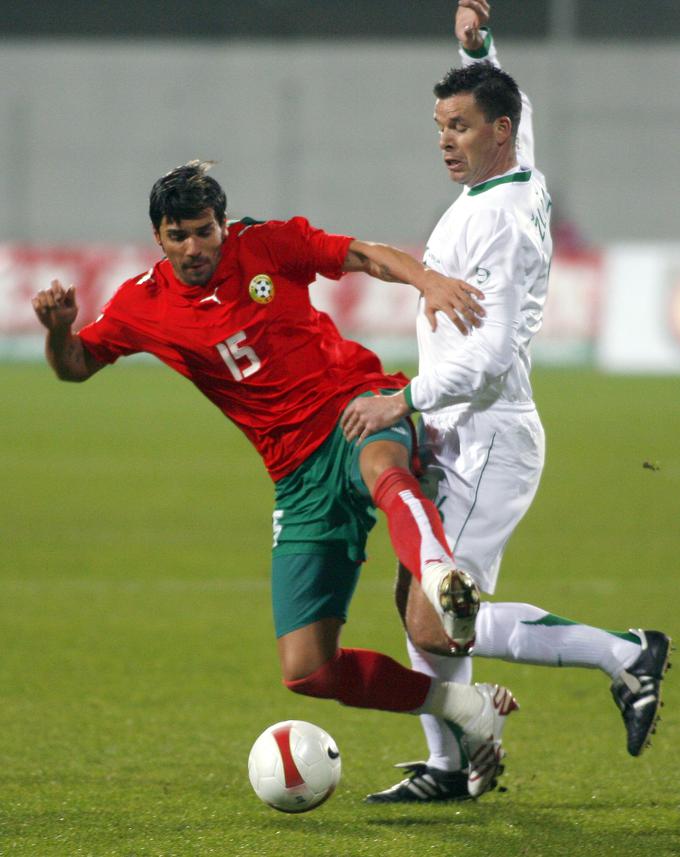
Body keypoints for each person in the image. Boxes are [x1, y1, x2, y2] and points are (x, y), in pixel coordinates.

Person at [32, 159, 520, 796]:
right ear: (158, 237)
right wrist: (58, 330)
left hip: (356, 402)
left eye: (204, 231)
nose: (193, 248)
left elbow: (361, 255)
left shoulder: (266, 244)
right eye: (178, 235)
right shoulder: (141, 304)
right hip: (293, 472)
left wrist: (425, 279)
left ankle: (439, 573)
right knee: (308, 669)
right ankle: (466, 708)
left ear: (223, 225)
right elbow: (75, 366)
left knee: (382, 466)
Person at [342, 0, 671, 803]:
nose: (445, 140)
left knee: (434, 617)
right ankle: (450, 767)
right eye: (439, 125)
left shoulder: (504, 223)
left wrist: (403, 401)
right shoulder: (516, 171)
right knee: (412, 596)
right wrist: (482, 46)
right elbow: (519, 98)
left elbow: (487, 361)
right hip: (462, 436)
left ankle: (623, 652)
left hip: (487, 438)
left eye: (459, 125)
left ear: (499, 129)